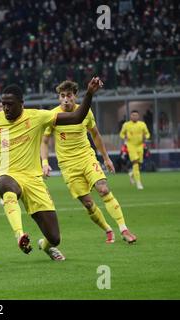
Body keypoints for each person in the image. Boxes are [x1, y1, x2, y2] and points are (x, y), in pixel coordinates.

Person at [0, 77, 103, 260]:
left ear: (21, 104)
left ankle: (45, 246)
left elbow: (76, 117)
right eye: (4, 104)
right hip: (5, 174)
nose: (6, 108)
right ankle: (19, 234)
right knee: (5, 185)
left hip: (33, 180)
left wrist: (89, 94)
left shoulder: (37, 117)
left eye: (10, 104)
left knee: (54, 237)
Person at [41, 80, 137, 244]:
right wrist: (44, 161)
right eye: (62, 96)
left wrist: (106, 158)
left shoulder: (85, 111)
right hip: (68, 165)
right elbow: (44, 141)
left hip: (87, 158)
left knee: (103, 189)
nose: (65, 99)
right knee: (88, 203)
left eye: (69, 95)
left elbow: (96, 135)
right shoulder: (53, 116)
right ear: (59, 98)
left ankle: (124, 229)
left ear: (75, 96)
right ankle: (108, 229)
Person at [119, 110, 151, 190]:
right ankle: (138, 183)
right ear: (130, 116)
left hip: (140, 146)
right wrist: (125, 138)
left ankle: (132, 174)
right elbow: (121, 134)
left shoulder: (142, 124)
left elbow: (147, 134)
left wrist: (146, 137)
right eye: (133, 115)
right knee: (135, 162)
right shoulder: (126, 125)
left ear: (138, 116)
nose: (134, 116)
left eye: (136, 115)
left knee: (139, 163)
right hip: (131, 146)